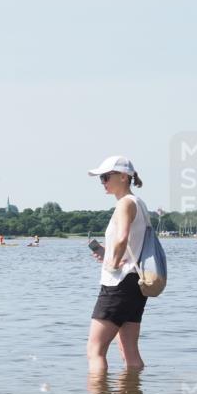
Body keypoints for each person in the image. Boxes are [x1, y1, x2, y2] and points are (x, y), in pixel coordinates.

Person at [86, 156, 150, 373]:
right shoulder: (139, 203)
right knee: (129, 351)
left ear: (123, 177)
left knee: (95, 350)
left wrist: (112, 264)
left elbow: (122, 238)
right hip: (135, 282)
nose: (102, 182)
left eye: (105, 177)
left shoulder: (124, 204)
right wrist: (109, 254)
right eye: (101, 178)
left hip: (118, 284)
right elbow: (131, 243)